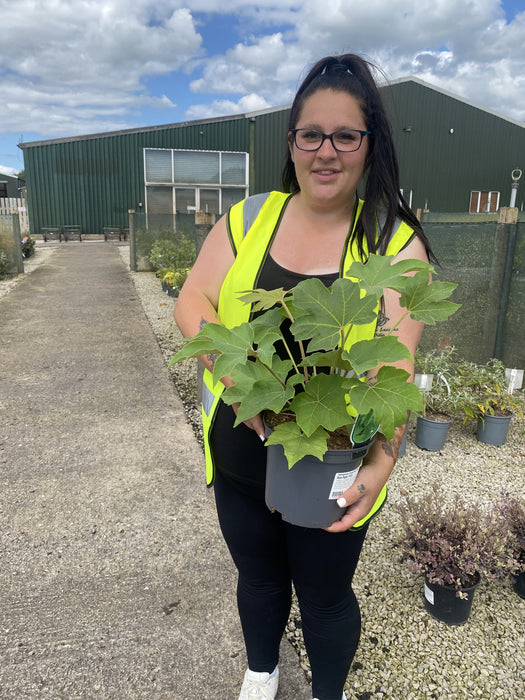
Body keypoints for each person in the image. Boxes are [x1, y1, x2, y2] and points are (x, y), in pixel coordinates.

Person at [174, 54, 435, 700]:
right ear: (290, 142)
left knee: (323, 595)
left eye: (345, 135)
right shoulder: (247, 220)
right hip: (241, 450)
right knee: (257, 577)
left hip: (335, 464)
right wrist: (236, 382)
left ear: (370, 145)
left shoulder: (393, 243)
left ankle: (328, 693)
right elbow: (192, 306)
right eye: (309, 134)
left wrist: (382, 462)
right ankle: (261, 672)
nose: (326, 151)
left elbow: (393, 374)